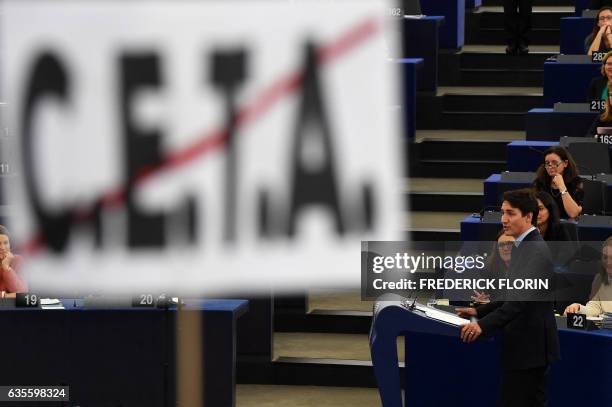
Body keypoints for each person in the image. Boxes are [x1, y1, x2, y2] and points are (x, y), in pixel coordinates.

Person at [457, 189, 559, 407]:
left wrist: (481, 326)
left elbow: (518, 302)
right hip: (523, 348)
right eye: (503, 212)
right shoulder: (523, 245)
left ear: (528, 216)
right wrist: (478, 311)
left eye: (510, 213)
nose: (504, 219)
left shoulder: (535, 251)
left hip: (530, 351)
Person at [564, 236, 612, 316]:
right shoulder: (599, 279)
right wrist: (579, 308)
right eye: (605, 257)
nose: (608, 262)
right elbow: (595, 308)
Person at [532, 146, 583, 219]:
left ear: (565, 163)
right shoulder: (540, 182)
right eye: (547, 163)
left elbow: (573, 214)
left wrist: (562, 187)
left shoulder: (577, 183)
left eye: (554, 163)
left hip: (567, 226)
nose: (550, 166)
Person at [472, 231, 515, 304]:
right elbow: (483, 297)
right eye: (501, 245)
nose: (505, 248)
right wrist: (481, 301)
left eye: (510, 244)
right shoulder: (488, 270)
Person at [0, 225, 27, 297]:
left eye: (5, 243)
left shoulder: (17, 260)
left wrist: (7, 268)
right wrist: (7, 296)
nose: (2, 247)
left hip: (10, 307)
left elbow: (22, 293)